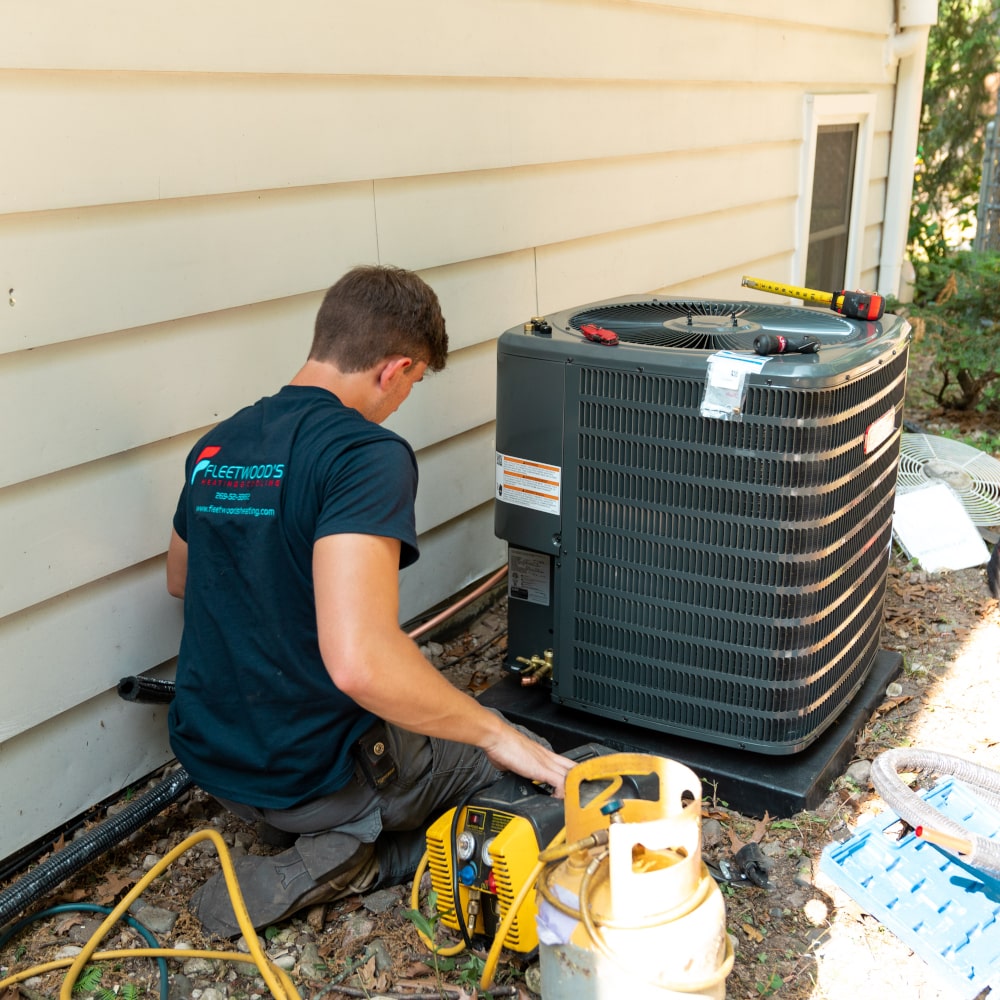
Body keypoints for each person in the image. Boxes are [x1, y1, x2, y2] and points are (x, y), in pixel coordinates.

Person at [165, 264, 573, 937]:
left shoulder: (220, 443)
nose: (402, 400)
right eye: (411, 385)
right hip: (310, 777)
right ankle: (349, 857)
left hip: (216, 759)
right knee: (519, 765)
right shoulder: (364, 455)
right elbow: (359, 664)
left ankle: (318, 826)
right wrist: (499, 734)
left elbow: (183, 577)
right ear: (393, 369)